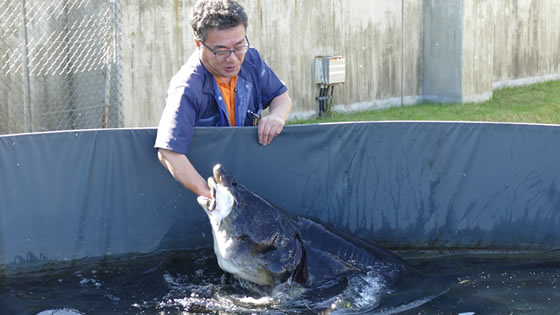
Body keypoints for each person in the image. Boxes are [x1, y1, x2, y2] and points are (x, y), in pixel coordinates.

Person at [154, 0, 292, 198]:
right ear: (198, 44)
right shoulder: (187, 88)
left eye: (239, 46)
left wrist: (277, 116)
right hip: (207, 187)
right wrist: (211, 195)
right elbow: (168, 152)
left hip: (249, 178)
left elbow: (281, 96)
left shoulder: (251, 59)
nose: (233, 58)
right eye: (220, 51)